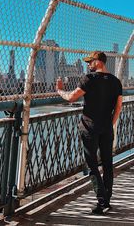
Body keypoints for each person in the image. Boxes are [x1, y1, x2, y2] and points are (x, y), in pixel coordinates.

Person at [56, 51, 122, 215]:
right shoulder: (116, 82)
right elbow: (118, 107)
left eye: (90, 61)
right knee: (107, 164)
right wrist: (110, 124)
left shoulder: (89, 79)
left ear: (99, 61)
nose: (88, 64)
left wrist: (59, 91)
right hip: (106, 128)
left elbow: (72, 97)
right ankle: (107, 199)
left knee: (92, 165)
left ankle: (102, 201)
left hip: (89, 129)